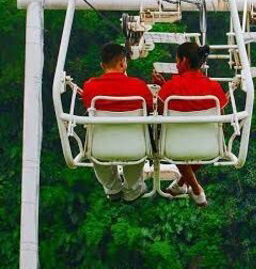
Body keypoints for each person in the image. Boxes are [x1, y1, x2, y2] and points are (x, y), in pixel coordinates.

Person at [153, 42, 228, 207]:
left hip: (174, 146)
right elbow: (221, 120)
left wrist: (163, 87)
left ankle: (195, 188)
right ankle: (187, 186)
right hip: (208, 146)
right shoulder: (214, 87)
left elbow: (159, 115)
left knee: (172, 136)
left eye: (177, 61)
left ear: (185, 61)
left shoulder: (170, 88)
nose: (176, 65)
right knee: (202, 137)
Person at [82, 42, 154, 203]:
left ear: (102, 65)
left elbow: (88, 106)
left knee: (96, 149)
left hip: (101, 147)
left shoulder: (90, 87)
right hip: (135, 147)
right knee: (136, 151)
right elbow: (150, 108)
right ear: (123, 63)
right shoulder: (138, 86)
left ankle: (112, 187)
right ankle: (133, 188)